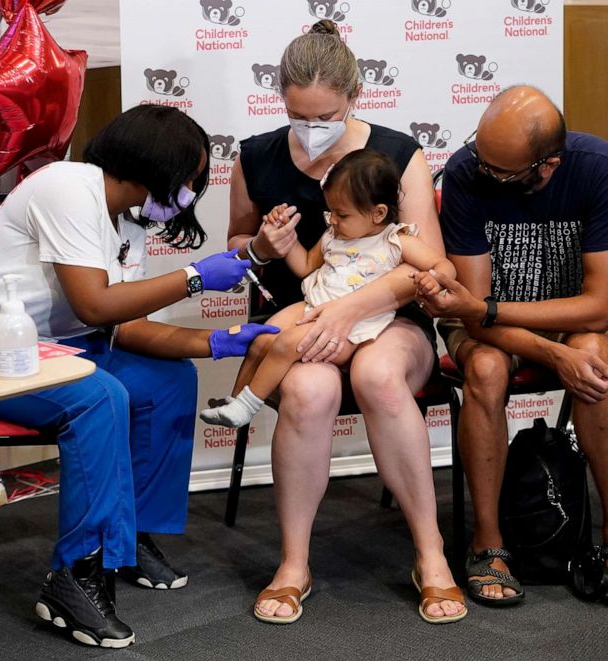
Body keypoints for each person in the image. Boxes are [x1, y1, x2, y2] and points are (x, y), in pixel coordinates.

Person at [0, 105, 279, 648]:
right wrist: (194, 279)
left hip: (51, 350)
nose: (189, 190)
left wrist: (215, 343)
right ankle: (73, 576)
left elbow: (124, 325)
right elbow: (93, 305)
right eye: (186, 176)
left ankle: (128, 540)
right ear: (150, 163)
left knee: (168, 382)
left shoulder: (127, 221)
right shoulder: (68, 187)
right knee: (98, 398)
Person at [227, 20, 466, 624]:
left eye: (326, 115)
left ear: (353, 98)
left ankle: (431, 556)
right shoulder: (254, 156)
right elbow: (235, 246)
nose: (312, 130)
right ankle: (293, 564)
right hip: (303, 317)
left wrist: (350, 310)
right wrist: (260, 243)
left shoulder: (397, 154)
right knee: (307, 391)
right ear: (280, 98)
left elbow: (427, 267)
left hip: (391, 320)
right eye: (298, 115)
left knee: (380, 378)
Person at [413, 86, 608, 607]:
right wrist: (546, 349)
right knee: (489, 369)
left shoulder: (601, 168)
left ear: (547, 166)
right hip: (487, 328)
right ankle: (488, 542)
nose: (482, 173)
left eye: (501, 172)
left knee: (592, 350)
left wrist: (505, 316)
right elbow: (474, 316)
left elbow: (598, 308)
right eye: (480, 156)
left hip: (562, 319)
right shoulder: (464, 170)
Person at [202, 149, 455, 428]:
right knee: (264, 337)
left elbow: (443, 265)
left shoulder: (397, 240)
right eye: (330, 212)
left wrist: (434, 278)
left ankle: (247, 407)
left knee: (286, 343)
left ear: (378, 212)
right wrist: (285, 235)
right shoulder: (333, 235)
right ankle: (234, 400)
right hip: (314, 304)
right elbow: (305, 266)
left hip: (355, 327)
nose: (333, 219)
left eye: (342, 214)